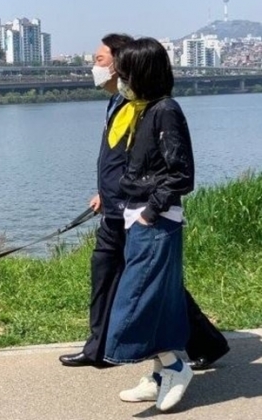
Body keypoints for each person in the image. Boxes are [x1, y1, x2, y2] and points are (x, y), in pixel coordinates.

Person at [59, 34, 229, 371]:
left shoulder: (148, 106)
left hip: (135, 212)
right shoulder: (119, 104)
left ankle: (172, 356)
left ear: (126, 64)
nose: (96, 66)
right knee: (114, 275)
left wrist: (147, 212)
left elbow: (167, 169)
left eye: (101, 59)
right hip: (116, 207)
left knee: (146, 283)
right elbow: (121, 161)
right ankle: (105, 349)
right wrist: (104, 193)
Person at [102, 36, 199, 411]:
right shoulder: (141, 109)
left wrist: (149, 211)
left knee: (134, 302)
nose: (119, 79)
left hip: (155, 221)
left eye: (124, 72)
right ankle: (160, 374)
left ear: (141, 73)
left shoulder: (165, 111)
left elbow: (181, 174)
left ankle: (175, 366)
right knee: (161, 303)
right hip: (140, 218)